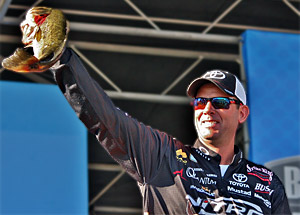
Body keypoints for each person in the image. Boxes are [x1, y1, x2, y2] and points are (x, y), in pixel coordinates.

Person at [50, 48, 291, 215]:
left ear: (242, 113)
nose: (207, 109)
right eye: (199, 102)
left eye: (219, 102)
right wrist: (60, 59)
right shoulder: (164, 156)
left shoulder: (267, 183)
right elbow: (108, 120)